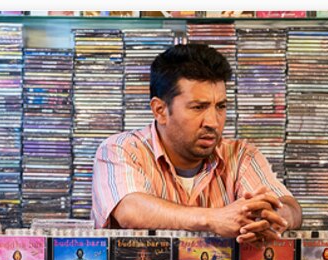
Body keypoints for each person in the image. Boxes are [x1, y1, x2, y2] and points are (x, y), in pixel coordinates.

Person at [92, 43, 301, 242]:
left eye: (220, 106)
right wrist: (213, 219)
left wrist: (274, 216)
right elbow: (130, 210)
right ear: (160, 110)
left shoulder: (241, 156)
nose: (213, 122)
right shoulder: (121, 149)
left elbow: (290, 207)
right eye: (198, 107)